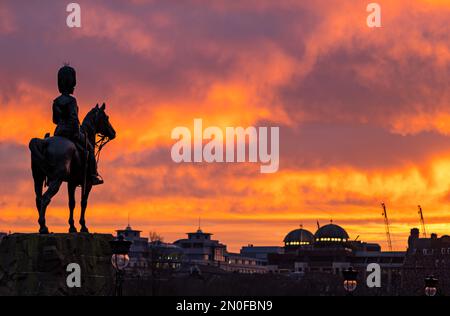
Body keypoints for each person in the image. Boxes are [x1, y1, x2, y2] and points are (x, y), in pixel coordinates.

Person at [52, 65, 103, 185]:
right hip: (71, 132)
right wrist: (78, 131)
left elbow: (54, 120)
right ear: (72, 83)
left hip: (58, 131)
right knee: (90, 148)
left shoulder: (56, 101)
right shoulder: (72, 101)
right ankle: (93, 175)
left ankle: (50, 177)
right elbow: (74, 119)